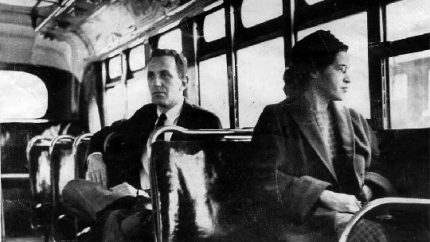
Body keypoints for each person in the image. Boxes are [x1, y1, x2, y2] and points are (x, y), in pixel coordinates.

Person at [62, 49, 221, 241]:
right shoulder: (146, 115)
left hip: (169, 208)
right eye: (151, 76)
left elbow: (204, 187)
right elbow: (102, 134)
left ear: (184, 82)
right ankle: (117, 217)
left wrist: (142, 194)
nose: (156, 83)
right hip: (128, 201)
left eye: (165, 75)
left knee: (120, 220)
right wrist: (95, 157)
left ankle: (109, 222)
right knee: (72, 189)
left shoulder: (204, 122)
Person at [251, 30, 395, 241]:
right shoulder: (277, 117)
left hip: (356, 212)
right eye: (340, 69)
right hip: (305, 220)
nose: (348, 79)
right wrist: (322, 196)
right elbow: (263, 179)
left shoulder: (354, 118)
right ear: (314, 72)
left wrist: (369, 188)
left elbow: (378, 165)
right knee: (370, 235)